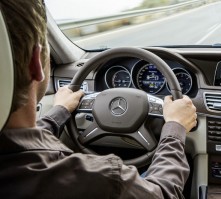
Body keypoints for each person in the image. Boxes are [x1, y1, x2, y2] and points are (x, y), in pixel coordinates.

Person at [0, 0, 197, 198]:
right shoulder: (104, 181)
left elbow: (21, 145)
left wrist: (59, 110)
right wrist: (174, 126)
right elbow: (163, 192)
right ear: (36, 64)